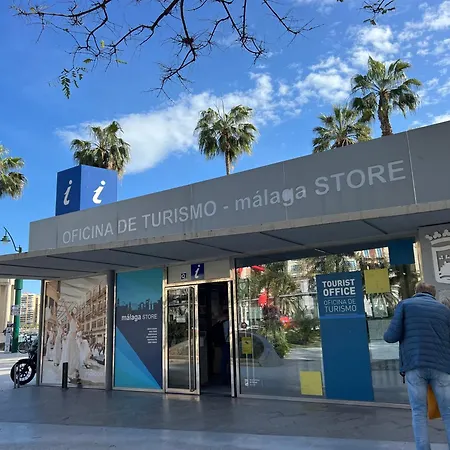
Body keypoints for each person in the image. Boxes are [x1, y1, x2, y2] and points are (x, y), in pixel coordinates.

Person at [384, 282, 450, 450]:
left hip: (415, 365)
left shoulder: (405, 306)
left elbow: (390, 336)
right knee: (448, 412)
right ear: (433, 294)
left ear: (416, 292)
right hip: (442, 366)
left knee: (419, 412)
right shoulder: (443, 310)